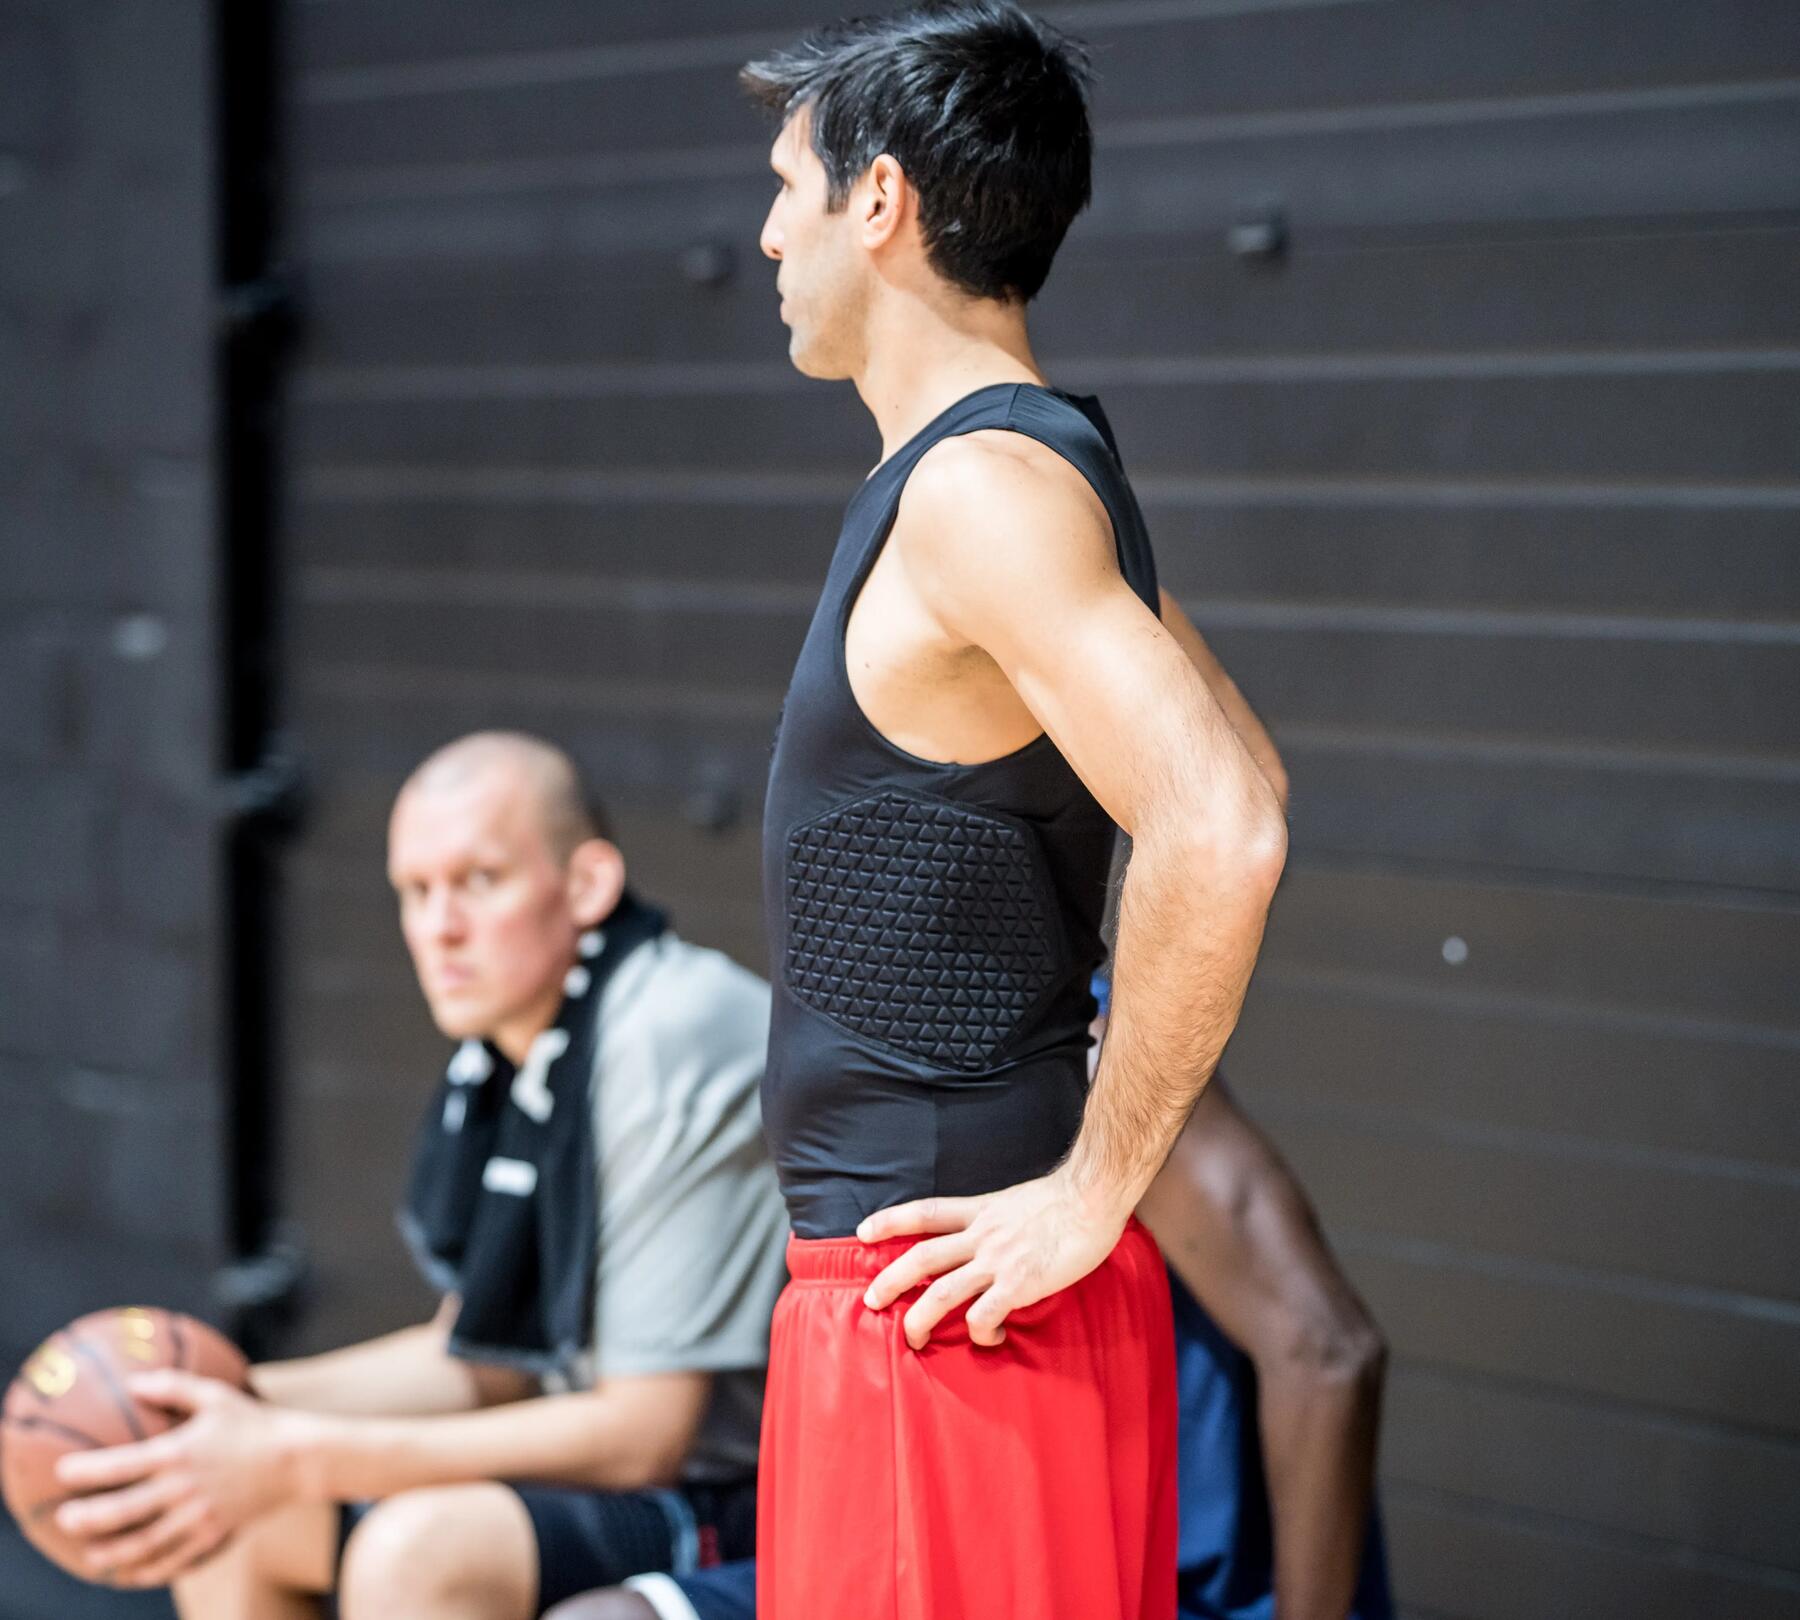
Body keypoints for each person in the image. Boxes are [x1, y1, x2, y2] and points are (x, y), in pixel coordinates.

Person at [740, 9, 1289, 1613]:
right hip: (964, 1305)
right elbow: (1247, 776)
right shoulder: (1026, 476)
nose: (768, 230)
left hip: (945, 1319)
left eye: (788, 183)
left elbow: (1225, 829)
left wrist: (1091, 1194)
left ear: (881, 202)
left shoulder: (984, 494)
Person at [547, 633, 1393, 1620]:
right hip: (915, 1502)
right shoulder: (898, 1059)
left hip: (1138, 1563)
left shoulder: (1105, 1067)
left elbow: (1330, 1350)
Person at [51, 732, 788, 1619]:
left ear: (586, 886)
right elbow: (485, 1362)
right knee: (232, 1513)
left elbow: (643, 1434)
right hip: (625, 1473)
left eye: (479, 881)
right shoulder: (508, 1054)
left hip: (753, 1496)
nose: (440, 929)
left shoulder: (666, 1032)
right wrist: (207, 1399)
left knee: (412, 1556)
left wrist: (291, 1449)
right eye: (416, 891)